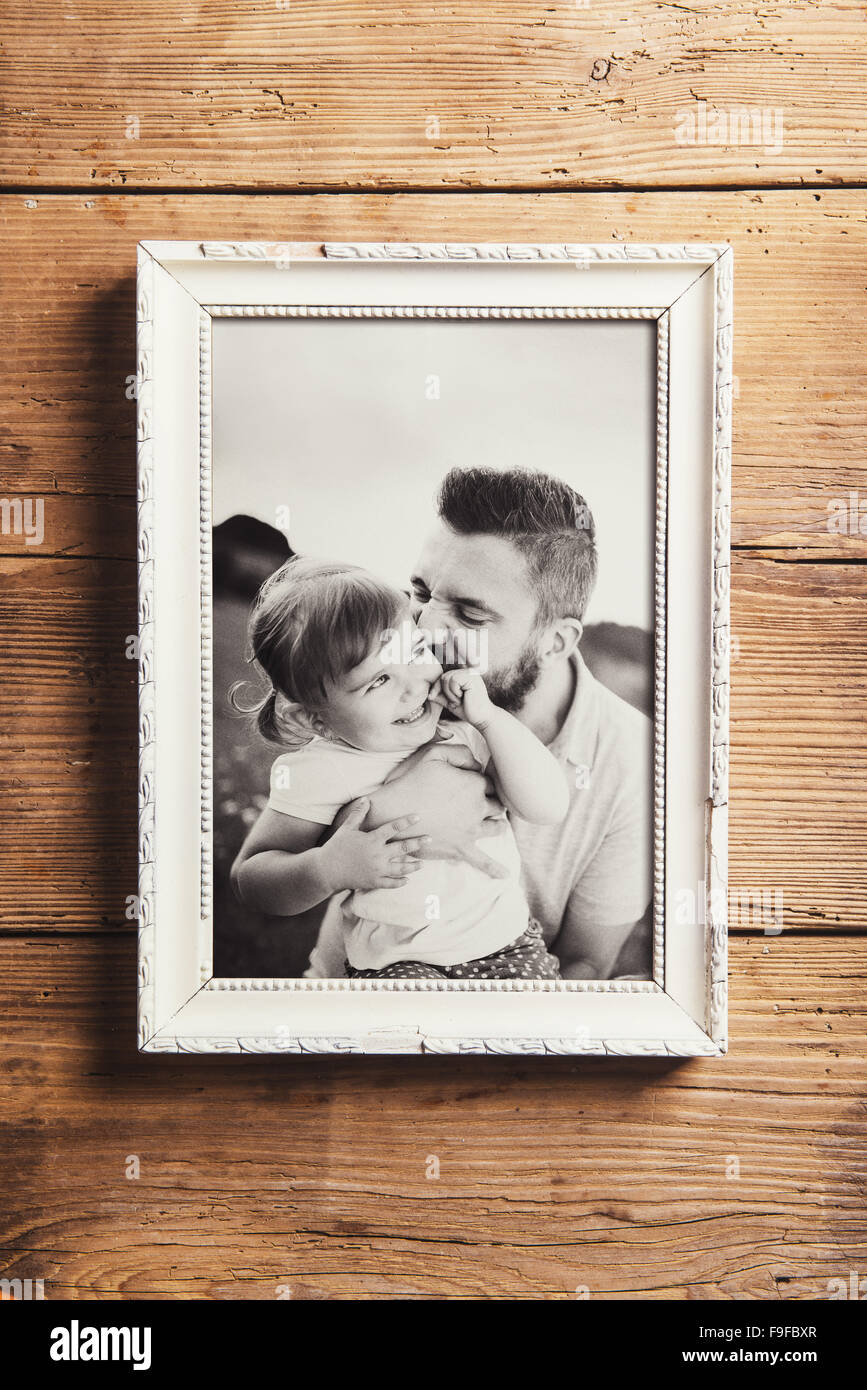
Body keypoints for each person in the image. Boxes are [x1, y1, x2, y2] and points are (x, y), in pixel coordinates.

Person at [306, 467, 653, 981]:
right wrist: (398, 820)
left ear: (555, 642)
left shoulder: (637, 763)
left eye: (469, 615)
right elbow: (282, 852)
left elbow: (585, 961)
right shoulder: (391, 697)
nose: (422, 629)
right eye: (420, 594)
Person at [230, 557, 569, 980]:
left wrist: (490, 721)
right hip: (397, 965)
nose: (413, 686)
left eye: (414, 652)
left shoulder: (463, 728)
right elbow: (252, 878)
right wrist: (324, 867)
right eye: (378, 681)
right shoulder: (318, 771)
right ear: (315, 720)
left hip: (507, 945)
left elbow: (547, 806)